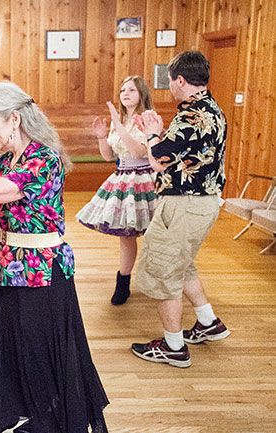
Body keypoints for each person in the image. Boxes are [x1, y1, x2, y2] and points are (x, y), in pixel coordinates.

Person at [0, 82, 109, 433]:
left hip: (43, 271)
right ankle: (7, 409)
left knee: (36, 350)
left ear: (14, 119)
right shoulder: (5, 160)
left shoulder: (44, 159)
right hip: (6, 266)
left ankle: (46, 420)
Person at [131, 51, 230, 368]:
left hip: (184, 205)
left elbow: (159, 160)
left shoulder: (190, 117)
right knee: (183, 265)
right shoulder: (213, 110)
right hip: (204, 204)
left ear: (181, 80)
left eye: (171, 81)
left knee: (164, 271)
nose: (171, 87)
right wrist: (159, 133)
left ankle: (173, 346)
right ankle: (208, 322)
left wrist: (150, 132)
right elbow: (179, 154)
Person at [76, 76, 157, 305]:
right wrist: (102, 136)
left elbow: (140, 151)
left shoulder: (148, 118)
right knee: (126, 234)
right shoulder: (119, 118)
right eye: (122, 90)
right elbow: (109, 156)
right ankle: (123, 282)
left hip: (145, 178)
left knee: (153, 234)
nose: (125, 93)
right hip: (123, 178)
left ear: (141, 93)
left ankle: (159, 278)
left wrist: (119, 126)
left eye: (131, 89)